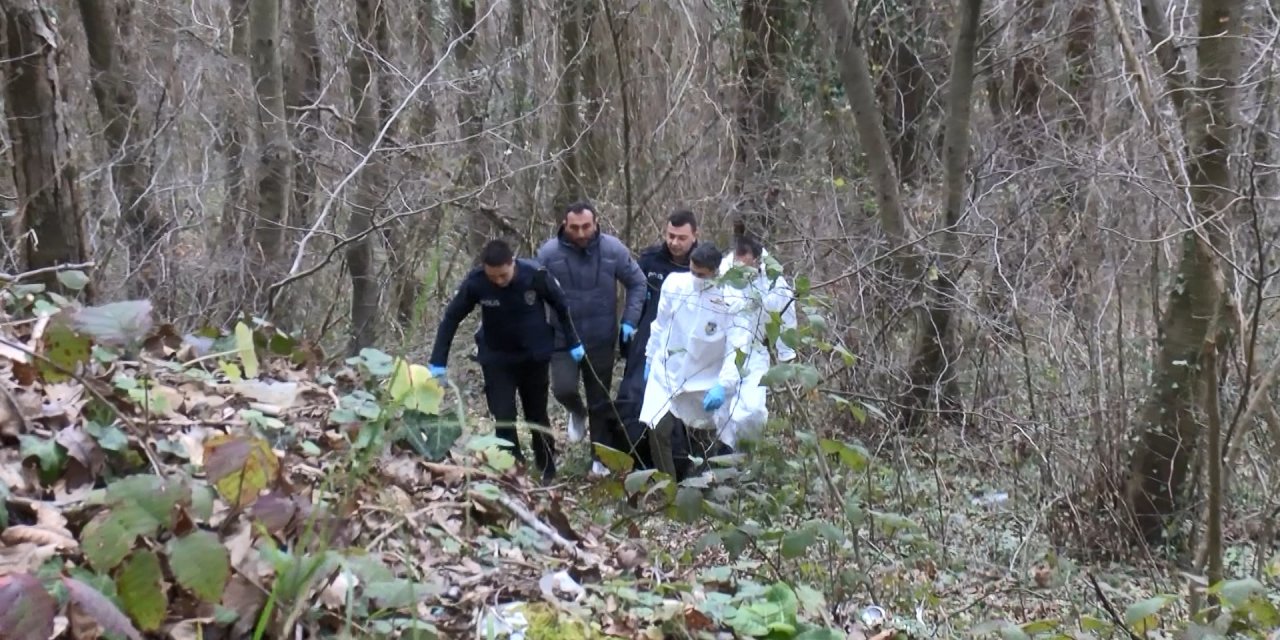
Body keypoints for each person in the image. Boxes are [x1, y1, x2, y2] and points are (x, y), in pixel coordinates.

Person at [427, 239, 585, 484]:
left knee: (536, 414)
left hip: (534, 356)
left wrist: (573, 341)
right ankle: (512, 467)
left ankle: (546, 465)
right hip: (497, 358)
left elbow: (561, 306)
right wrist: (438, 360)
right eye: (493, 277)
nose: (499, 281)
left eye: (503, 275)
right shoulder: (477, 282)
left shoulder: (536, 276)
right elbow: (451, 318)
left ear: (513, 263)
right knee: (502, 414)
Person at [640, 244, 772, 478]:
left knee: (720, 428)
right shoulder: (674, 285)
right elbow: (659, 324)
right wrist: (650, 357)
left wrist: (724, 384)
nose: (695, 278)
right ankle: (667, 484)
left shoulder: (732, 299)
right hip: (668, 368)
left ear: (715, 271)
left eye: (701, 275)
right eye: (692, 271)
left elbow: (737, 347)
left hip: (708, 374)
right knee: (658, 425)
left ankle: (714, 482)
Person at [535, 201, 647, 476]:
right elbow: (534, 291)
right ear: (564, 224)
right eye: (575, 227)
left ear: (595, 223)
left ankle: (599, 458)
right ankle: (576, 411)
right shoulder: (548, 254)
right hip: (563, 337)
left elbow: (637, 282)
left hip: (600, 337)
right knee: (563, 388)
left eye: (586, 226)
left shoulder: (612, 249)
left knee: (600, 400)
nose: (582, 233)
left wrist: (630, 320)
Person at [615, 210, 699, 471]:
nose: (674, 242)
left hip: (687, 345)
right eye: (670, 236)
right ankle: (630, 458)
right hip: (648, 341)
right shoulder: (651, 259)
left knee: (679, 408)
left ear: (695, 236)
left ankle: (681, 464)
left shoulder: (703, 265)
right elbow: (637, 294)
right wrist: (629, 322)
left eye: (681, 238)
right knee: (634, 397)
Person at [722, 236, 799, 364]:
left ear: (756, 260)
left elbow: (787, 312)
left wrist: (786, 352)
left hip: (757, 344)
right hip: (727, 340)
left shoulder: (772, 280)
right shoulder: (724, 273)